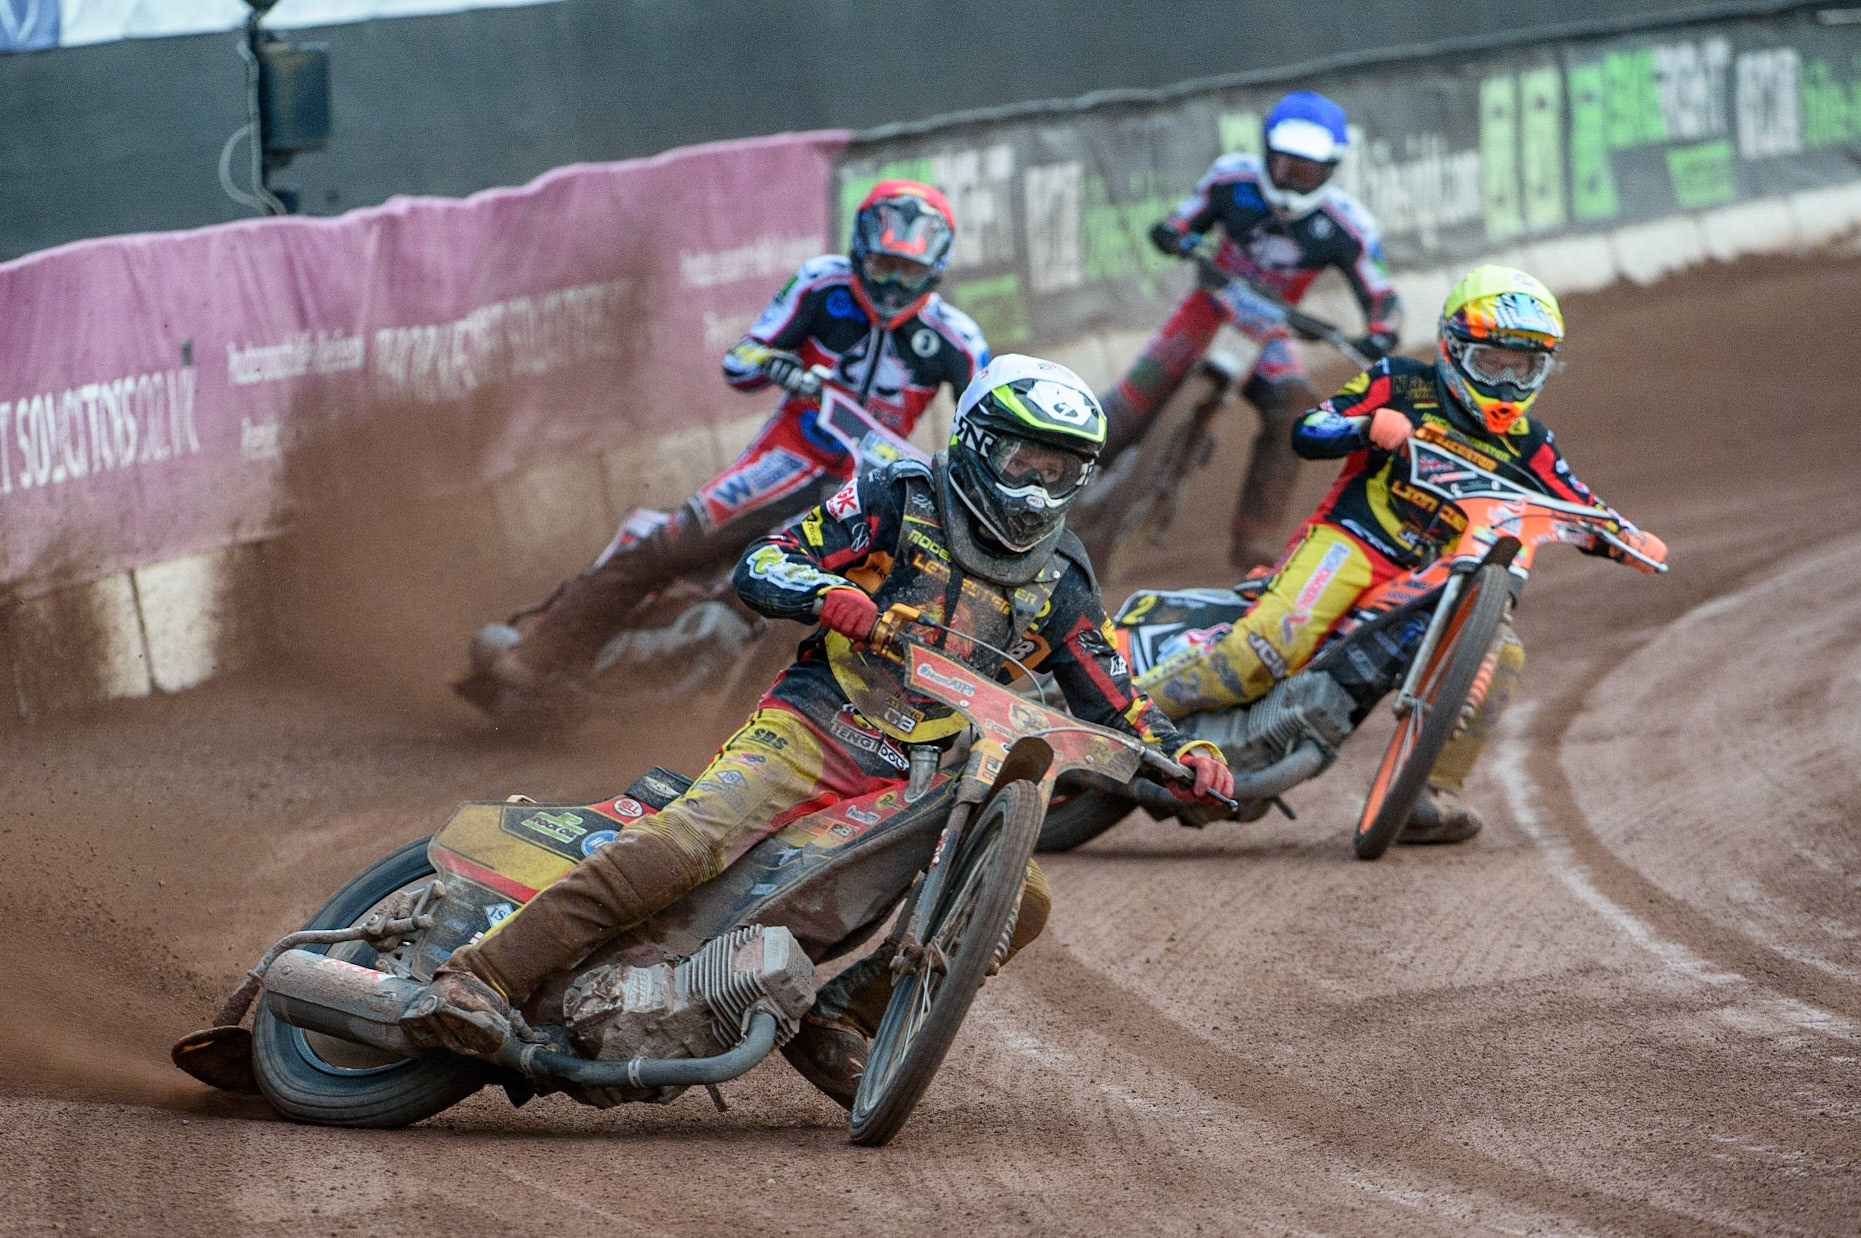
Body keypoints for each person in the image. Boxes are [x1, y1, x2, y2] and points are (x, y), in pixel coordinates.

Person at [405, 354, 1235, 1105]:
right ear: (979, 442)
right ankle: (480, 975)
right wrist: (824, 593)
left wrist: (1188, 753)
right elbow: (765, 561)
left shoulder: (1062, 577)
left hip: (922, 777)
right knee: (690, 842)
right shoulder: (896, 497)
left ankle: (841, 1019)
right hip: (813, 725)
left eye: (1058, 472)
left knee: (1022, 898)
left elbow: (1111, 698)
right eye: (1022, 461)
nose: (1034, 489)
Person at [1132, 265, 1667, 842]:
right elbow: (1309, 428)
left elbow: (1578, 500)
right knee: (1268, 646)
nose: (1508, 382)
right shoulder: (1401, 383)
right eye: (1494, 363)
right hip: (1353, 542)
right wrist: (1365, 426)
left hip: (1435, 578)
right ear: (1455, 349)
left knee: (1501, 653)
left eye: (1525, 367)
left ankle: (1428, 791)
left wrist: (1629, 537)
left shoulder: (1531, 443)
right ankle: (1120, 712)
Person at [481, 179, 988, 700]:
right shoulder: (822, 285)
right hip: (784, 458)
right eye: (883, 265)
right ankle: (540, 655)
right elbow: (739, 361)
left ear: (936, 271)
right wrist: (782, 368)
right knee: (676, 541)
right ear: (859, 252)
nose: (892, 286)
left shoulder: (958, 340)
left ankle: (707, 704)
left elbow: (986, 424)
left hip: (864, 490)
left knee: (798, 602)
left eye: (909, 271)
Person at [1103, 90, 1402, 570]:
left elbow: (1381, 291)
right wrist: (1173, 233)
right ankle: (1050, 484)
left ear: (1332, 167)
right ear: (1266, 150)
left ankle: (1254, 542)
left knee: (1294, 414)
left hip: (1270, 332)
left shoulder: (1348, 224)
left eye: (1308, 168)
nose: (1293, 177)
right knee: (1120, 413)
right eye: (1285, 163)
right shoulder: (1231, 179)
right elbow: (1184, 219)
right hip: (1206, 309)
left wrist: (1382, 330)